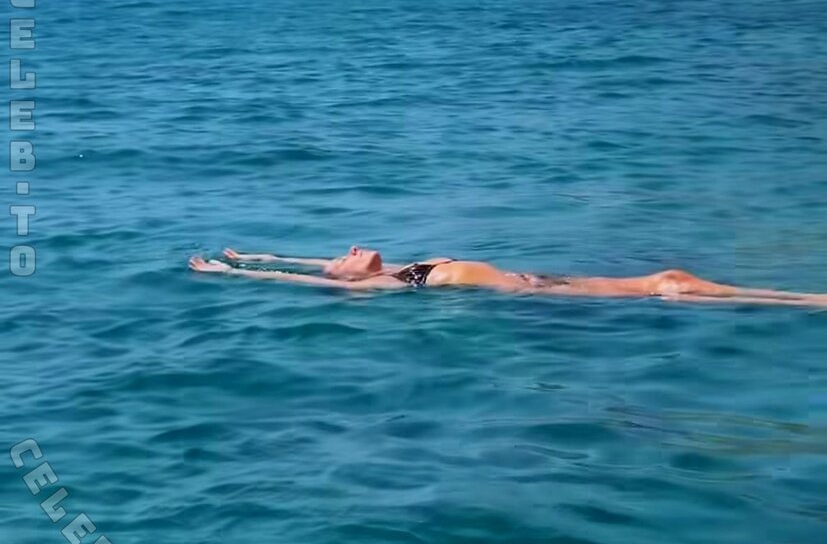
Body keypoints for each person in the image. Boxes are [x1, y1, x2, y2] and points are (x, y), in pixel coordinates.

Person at [187, 247, 827, 307]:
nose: (352, 248)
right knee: (670, 284)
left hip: (542, 280)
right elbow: (305, 283)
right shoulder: (393, 284)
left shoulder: (404, 266)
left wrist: (256, 255)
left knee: (672, 279)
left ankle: (806, 300)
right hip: (537, 293)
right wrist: (235, 275)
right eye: (344, 257)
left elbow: (306, 267)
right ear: (349, 280)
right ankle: (807, 302)